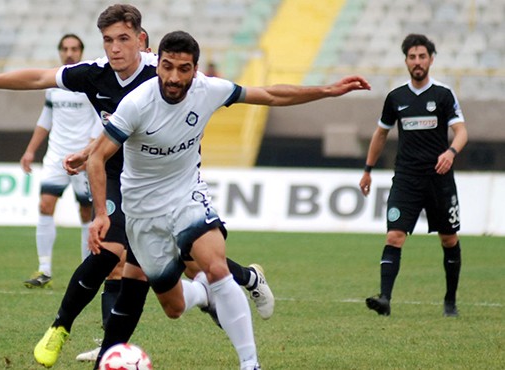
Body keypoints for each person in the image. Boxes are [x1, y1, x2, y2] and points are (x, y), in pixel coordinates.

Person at [0, 5, 273, 368]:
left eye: (122, 39)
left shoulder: (161, 71)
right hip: (112, 176)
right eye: (107, 40)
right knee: (115, 256)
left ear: (141, 40)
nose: (114, 49)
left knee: (176, 265)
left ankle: (233, 285)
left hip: (160, 178)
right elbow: (39, 78)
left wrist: (89, 152)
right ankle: (67, 329)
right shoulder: (94, 74)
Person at [86, 30, 370, 370]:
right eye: (167, 67)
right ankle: (204, 294)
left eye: (184, 68)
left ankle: (250, 363)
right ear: (157, 63)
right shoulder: (137, 104)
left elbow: (270, 95)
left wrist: (326, 90)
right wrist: (101, 213)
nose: (174, 77)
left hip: (186, 195)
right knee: (173, 307)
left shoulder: (210, 90)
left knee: (217, 265)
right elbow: (96, 157)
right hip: (142, 212)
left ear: (195, 68)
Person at [359, 34, 468, 317]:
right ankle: (384, 299)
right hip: (406, 178)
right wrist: (368, 170)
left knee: (449, 239)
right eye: (412, 57)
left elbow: (461, 131)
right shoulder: (396, 98)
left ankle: (450, 301)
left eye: (422, 56)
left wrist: (451, 153)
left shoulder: (444, 95)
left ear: (431, 59)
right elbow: (381, 134)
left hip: (439, 178)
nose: (417, 62)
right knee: (394, 236)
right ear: (406, 60)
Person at [21, 33, 98, 289]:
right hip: (56, 156)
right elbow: (46, 120)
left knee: (86, 212)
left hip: (82, 159)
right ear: (60, 52)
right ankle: (44, 269)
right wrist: (31, 150)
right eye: (65, 49)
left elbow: (101, 120)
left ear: (81, 51)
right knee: (45, 206)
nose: (69, 53)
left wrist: (89, 153)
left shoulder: (90, 83)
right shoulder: (54, 86)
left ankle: (88, 270)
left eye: (74, 48)